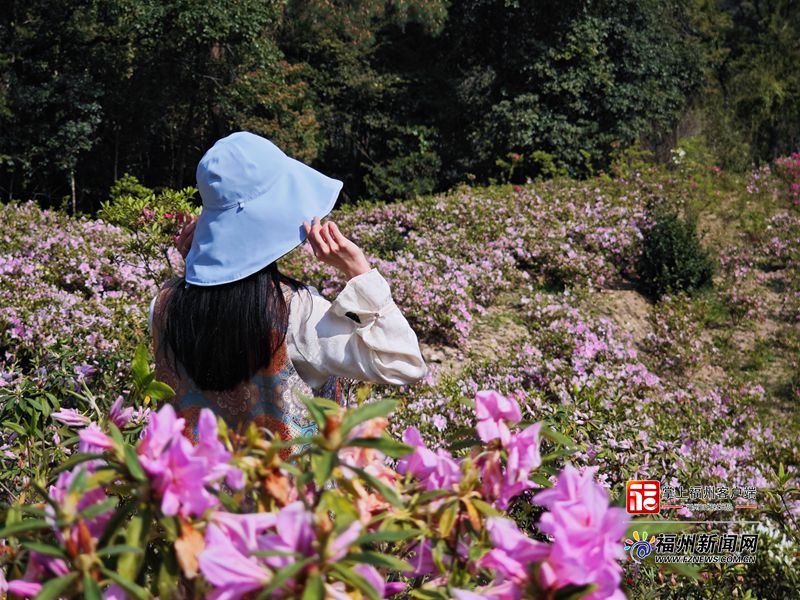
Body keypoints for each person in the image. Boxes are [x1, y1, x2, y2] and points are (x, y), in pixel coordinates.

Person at [148, 132, 427, 446]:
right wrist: (359, 273)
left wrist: (200, 270)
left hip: (197, 491)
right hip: (289, 492)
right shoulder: (299, 313)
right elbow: (405, 364)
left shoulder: (164, 305)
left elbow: (211, 320)